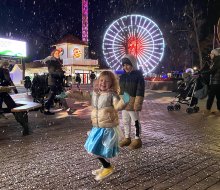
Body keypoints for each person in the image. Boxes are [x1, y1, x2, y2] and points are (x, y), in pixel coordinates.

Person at [119, 54, 145, 150]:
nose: (125, 67)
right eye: (124, 65)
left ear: (133, 64)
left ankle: (137, 139)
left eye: (127, 64)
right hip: (125, 101)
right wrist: (120, 101)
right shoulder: (122, 77)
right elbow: (120, 91)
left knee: (135, 121)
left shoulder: (138, 76)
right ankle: (127, 137)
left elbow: (140, 91)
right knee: (125, 121)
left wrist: (137, 103)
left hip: (133, 101)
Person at [0, 61, 29, 135]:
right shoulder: (4, 71)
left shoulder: (3, 71)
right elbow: (9, 81)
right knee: (13, 108)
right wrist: (14, 89)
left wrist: (14, 89)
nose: (6, 67)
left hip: (3, 92)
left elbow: (8, 81)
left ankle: (24, 126)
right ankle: (24, 126)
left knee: (13, 108)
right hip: (3, 92)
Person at [43, 49, 65, 115]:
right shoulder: (52, 62)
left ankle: (66, 107)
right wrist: (60, 74)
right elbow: (52, 72)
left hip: (57, 82)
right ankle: (46, 108)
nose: (57, 54)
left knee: (61, 94)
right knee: (53, 96)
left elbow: (57, 71)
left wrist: (61, 73)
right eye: (56, 53)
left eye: (58, 53)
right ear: (53, 54)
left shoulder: (57, 61)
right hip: (53, 81)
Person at [202, 48, 220, 116]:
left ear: (215, 54)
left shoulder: (217, 60)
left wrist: (202, 73)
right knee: (219, 97)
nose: (210, 55)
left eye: (211, 54)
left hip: (216, 82)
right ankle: (219, 111)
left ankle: (207, 110)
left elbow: (212, 71)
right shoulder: (216, 60)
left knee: (211, 97)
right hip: (217, 82)